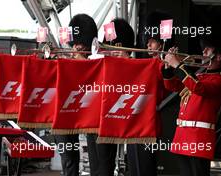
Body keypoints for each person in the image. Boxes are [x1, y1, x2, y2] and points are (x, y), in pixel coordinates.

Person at [161, 15, 221, 176]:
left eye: (208, 48)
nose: (203, 51)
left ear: (219, 55)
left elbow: (199, 88)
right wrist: (168, 69)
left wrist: (178, 65)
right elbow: (174, 86)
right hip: (183, 136)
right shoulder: (201, 75)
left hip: (199, 139)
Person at [126, 11, 172, 176]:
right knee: (135, 166)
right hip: (136, 121)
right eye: (148, 42)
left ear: (161, 43)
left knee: (143, 168)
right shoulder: (150, 63)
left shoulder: (160, 65)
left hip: (147, 123)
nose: (148, 46)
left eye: (152, 42)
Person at [54, 13, 98, 176]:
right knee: (68, 159)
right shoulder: (64, 61)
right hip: (66, 112)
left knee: (96, 159)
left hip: (90, 112)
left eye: (81, 43)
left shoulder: (96, 62)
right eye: (76, 43)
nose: (77, 47)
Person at [95, 18, 135, 176]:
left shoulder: (132, 62)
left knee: (134, 164)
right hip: (104, 117)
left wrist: (125, 60)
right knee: (102, 167)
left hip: (129, 116)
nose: (113, 49)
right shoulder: (101, 63)